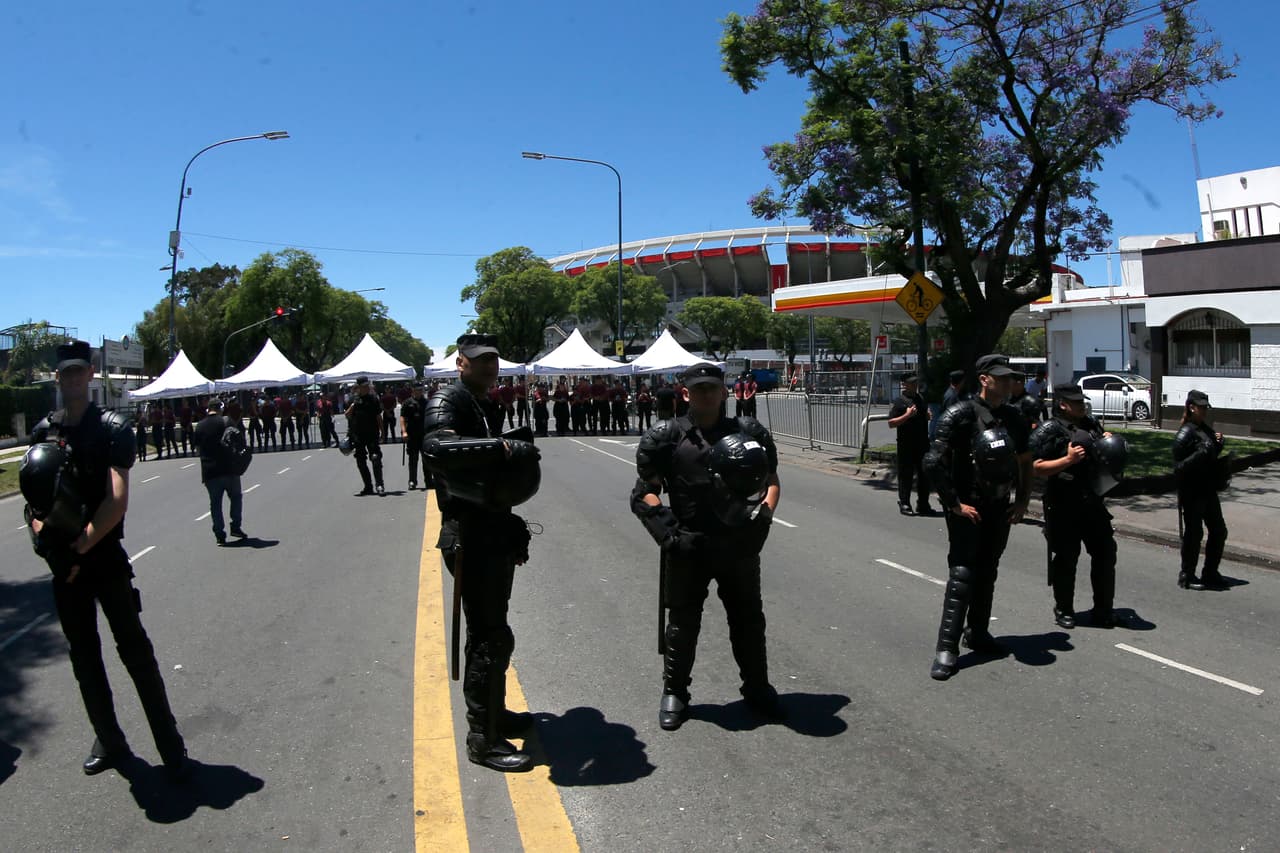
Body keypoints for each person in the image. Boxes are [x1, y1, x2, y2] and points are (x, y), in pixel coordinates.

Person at [21, 341, 188, 779]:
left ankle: (170, 745)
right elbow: (34, 507)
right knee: (85, 659)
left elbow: (116, 502)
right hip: (67, 568)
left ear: (90, 374)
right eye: (65, 373)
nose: (73, 379)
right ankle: (109, 738)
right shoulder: (43, 433)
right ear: (57, 378)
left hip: (105, 558)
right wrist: (53, 551)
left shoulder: (113, 427)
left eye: (79, 372)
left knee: (136, 653)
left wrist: (80, 548)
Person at [631, 362, 784, 730]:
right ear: (686, 393)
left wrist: (763, 517)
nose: (705, 394)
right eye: (697, 388)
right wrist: (668, 533)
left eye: (711, 388)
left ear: (724, 392)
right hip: (689, 545)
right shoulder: (666, 436)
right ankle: (676, 691)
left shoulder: (748, 432)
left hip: (737, 545)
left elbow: (772, 481)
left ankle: (757, 688)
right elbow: (644, 493)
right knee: (682, 623)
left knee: (748, 621)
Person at [423, 333, 540, 773]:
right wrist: (501, 447)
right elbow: (435, 448)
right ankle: (482, 737)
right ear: (460, 362)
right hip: (468, 534)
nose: (489, 366)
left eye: (493, 359)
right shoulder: (448, 398)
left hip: (492, 529)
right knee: (490, 638)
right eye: (479, 360)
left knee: (492, 631)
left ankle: (496, 711)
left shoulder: (483, 401)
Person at [925, 354, 1032, 681]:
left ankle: (979, 632)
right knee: (963, 574)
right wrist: (954, 504)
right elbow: (932, 461)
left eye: (1010, 378)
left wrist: (1023, 500)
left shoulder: (1014, 417)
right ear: (984, 379)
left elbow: (1025, 460)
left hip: (999, 505)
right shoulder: (960, 414)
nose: (1008, 383)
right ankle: (947, 647)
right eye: (1001, 377)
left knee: (989, 569)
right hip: (967, 506)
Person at [1030, 384, 1120, 628]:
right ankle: (1064, 609)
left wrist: (1107, 442)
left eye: (1082, 401)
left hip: (1093, 501)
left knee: (1105, 553)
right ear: (1062, 404)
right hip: (1063, 502)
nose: (1082, 405)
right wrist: (1067, 460)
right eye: (1076, 402)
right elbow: (1035, 466)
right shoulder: (1049, 429)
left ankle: (1103, 609)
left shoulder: (1090, 423)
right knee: (1067, 558)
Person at [1172, 390, 1229, 590]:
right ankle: (1187, 574)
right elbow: (1178, 468)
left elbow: (1209, 457)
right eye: (1201, 407)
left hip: (1208, 489)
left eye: (1206, 407)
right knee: (1194, 534)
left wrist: (1218, 446)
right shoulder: (1185, 432)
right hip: (1192, 491)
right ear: (1191, 407)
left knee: (1219, 531)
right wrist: (1200, 453)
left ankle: (1210, 572)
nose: (1204, 410)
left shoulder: (1204, 428)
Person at [192, 399, 247, 545]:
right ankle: (235, 526)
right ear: (220, 408)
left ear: (208, 409)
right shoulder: (226, 421)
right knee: (235, 497)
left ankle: (219, 534)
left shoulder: (200, 425)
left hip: (210, 471)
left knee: (215, 504)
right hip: (229, 468)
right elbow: (238, 439)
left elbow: (197, 449)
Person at [887, 373, 933, 516]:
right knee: (906, 474)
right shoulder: (900, 401)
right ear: (904, 384)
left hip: (922, 442)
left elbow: (925, 414)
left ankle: (923, 503)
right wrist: (907, 415)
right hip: (906, 443)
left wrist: (927, 415)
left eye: (916, 382)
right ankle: (905, 502)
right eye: (912, 383)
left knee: (924, 474)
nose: (915, 385)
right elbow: (891, 423)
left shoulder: (920, 398)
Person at [344, 377, 385, 496]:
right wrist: (353, 405)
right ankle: (368, 486)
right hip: (358, 435)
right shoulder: (353, 399)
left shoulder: (373, 399)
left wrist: (382, 432)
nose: (366, 388)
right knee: (361, 461)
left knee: (375, 458)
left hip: (372, 433)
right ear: (359, 387)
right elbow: (347, 415)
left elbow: (378, 417)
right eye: (364, 386)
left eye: (368, 386)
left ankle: (379, 485)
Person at [399, 383, 428, 490]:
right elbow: (402, 418)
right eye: (417, 390)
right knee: (413, 459)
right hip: (412, 435)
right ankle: (412, 481)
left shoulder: (426, 402)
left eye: (421, 389)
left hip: (424, 435)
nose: (419, 391)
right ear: (413, 390)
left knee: (426, 460)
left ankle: (428, 481)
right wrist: (404, 432)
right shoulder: (407, 403)